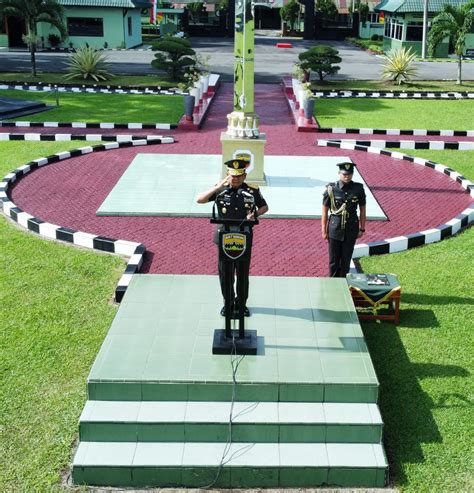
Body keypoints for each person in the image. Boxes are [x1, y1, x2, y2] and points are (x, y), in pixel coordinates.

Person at [197, 157, 268, 316]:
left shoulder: (251, 190)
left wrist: (255, 214)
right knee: (225, 273)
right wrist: (217, 187)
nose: (235, 179)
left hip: (244, 236)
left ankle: (241, 304)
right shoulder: (220, 190)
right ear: (227, 175)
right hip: (224, 238)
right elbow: (199, 199)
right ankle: (228, 303)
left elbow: (264, 206)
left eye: (238, 176)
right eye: (232, 175)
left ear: (244, 176)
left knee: (242, 273)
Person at [321, 162, 366, 278]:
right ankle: (332, 283)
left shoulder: (359, 188)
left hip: (351, 229)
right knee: (333, 261)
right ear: (339, 174)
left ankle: (342, 284)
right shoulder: (331, 189)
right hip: (334, 229)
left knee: (346, 260)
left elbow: (362, 209)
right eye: (344, 174)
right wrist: (324, 231)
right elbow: (325, 211)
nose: (347, 176)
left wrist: (362, 228)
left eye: (349, 174)